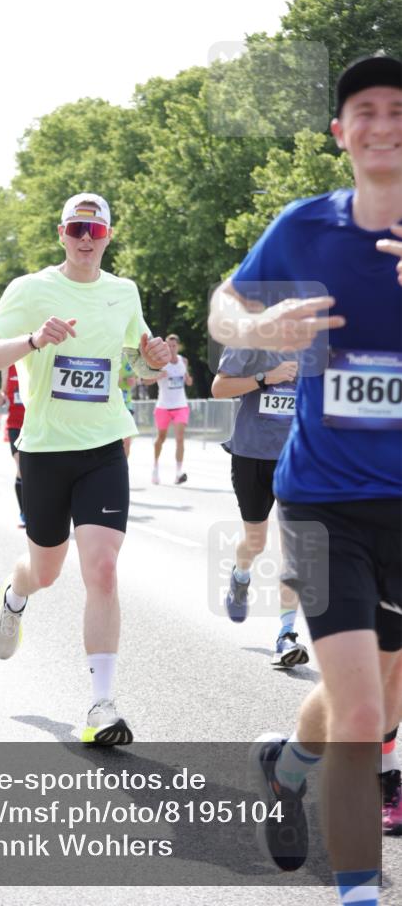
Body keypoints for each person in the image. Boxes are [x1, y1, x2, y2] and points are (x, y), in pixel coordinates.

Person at [208, 55, 402, 906]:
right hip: (324, 502)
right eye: (364, 109)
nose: (383, 123)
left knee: (375, 702)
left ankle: (284, 769)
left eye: (399, 107)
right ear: (339, 133)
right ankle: (358, 893)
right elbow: (224, 302)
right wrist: (256, 323)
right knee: (363, 719)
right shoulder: (304, 227)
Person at [0, 192, 170, 745]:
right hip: (44, 450)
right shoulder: (31, 290)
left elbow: (135, 366)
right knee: (46, 571)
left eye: (97, 231)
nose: (87, 239)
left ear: (108, 237)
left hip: (105, 444)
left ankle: (101, 705)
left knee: (102, 570)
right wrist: (34, 339)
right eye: (77, 229)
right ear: (61, 233)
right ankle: (15, 596)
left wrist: (151, 365)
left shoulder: (123, 292)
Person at [212, 348, 309, 667]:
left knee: (295, 548)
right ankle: (240, 576)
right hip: (251, 454)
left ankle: (286, 633)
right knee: (255, 542)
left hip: (296, 458)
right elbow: (219, 388)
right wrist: (265, 378)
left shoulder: (318, 343)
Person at [147, 334, 193, 484]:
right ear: (165, 346)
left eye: (174, 345)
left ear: (178, 346)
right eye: (169, 345)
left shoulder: (183, 361)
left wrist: (188, 379)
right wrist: (159, 375)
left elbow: (189, 381)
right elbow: (147, 381)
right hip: (163, 406)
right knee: (161, 438)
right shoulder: (160, 362)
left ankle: (179, 473)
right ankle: (155, 467)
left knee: (180, 438)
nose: (172, 348)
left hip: (180, 405)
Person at [0, 363, 26, 525]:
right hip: (15, 425)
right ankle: (24, 512)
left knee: (37, 471)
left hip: (37, 426)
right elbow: (3, 395)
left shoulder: (41, 360)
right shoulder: (8, 365)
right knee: (22, 467)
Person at [118, 356, 136, 458]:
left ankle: (124, 470)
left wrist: (132, 381)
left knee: (127, 441)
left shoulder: (128, 359)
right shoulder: (106, 354)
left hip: (127, 404)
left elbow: (134, 380)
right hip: (110, 406)